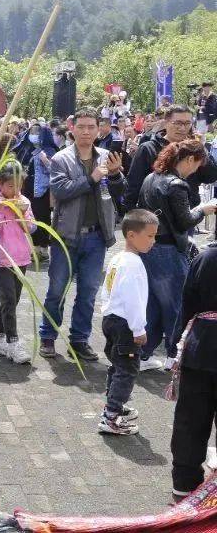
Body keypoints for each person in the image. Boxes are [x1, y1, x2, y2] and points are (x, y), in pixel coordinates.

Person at [38, 107, 124, 361]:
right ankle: (48, 336)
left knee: (88, 293)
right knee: (57, 290)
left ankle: (79, 340)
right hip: (66, 236)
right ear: (72, 128)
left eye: (91, 127)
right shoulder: (61, 159)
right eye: (81, 127)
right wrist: (92, 178)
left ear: (99, 130)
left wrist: (116, 175)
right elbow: (61, 191)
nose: (86, 131)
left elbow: (119, 193)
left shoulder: (106, 156)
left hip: (97, 236)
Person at [136, 139, 217, 371]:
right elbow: (184, 221)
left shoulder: (151, 178)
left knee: (152, 304)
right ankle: (174, 355)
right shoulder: (177, 185)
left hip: (149, 247)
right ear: (190, 159)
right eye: (198, 165)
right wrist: (203, 210)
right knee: (175, 306)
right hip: (169, 250)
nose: (196, 171)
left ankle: (144, 354)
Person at [97, 209, 158, 436]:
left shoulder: (118, 258)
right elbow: (134, 300)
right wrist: (138, 328)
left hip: (112, 319)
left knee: (117, 365)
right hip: (125, 324)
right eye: (149, 236)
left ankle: (113, 404)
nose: (153, 241)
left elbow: (107, 289)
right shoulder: (133, 264)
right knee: (127, 370)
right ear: (131, 235)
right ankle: (111, 415)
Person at [171, 240, 217, 500]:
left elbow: (187, 304)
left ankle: (184, 481)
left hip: (200, 347)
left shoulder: (205, 259)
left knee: (191, 418)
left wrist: (177, 343)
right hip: (201, 347)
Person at [0, 160, 35, 364]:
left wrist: (22, 212)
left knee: (11, 300)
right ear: (0, 184)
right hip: (2, 258)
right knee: (9, 301)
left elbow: (31, 228)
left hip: (21, 256)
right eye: (11, 186)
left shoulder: (24, 201)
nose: (15, 190)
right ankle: (13, 342)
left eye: (18, 185)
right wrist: (0, 209)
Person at [125, 105, 217, 211]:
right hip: (157, 216)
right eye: (178, 123)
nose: (182, 128)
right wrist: (132, 213)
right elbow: (133, 186)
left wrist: (201, 149)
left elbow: (211, 177)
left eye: (187, 123)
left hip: (190, 213)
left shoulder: (193, 150)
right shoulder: (148, 149)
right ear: (166, 123)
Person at [13, 121, 56, 261]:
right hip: (27, 187)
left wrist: (46, 161)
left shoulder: (50, 150)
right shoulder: (25, 149)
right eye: (31, 132)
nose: (33, 135)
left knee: (42, 217)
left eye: (37, 132)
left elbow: (55, 171)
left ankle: (43, 248)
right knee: (30, 217)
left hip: (43, 190)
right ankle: (35, 247)